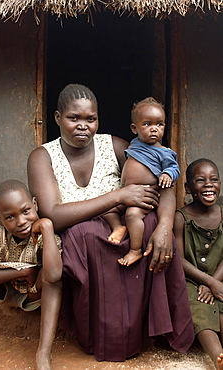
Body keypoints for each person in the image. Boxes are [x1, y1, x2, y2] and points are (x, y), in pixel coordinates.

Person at [27, 83, 194, 362]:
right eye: (73, 118)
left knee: (150, 225)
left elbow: (163, 186)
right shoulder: (43, 157)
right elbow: (53, 214)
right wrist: (118, 195)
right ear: (57, 118)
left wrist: (165, 225)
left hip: (127, 233)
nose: (83, 126)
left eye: (90, 119)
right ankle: (106, 333)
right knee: (84, 234)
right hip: (86, 245)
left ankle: (147, 330)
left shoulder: (115, 146)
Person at [0, 180, 62, 370]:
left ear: (35, 204)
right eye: (10, 217)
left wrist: (47, 227)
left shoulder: (46, 234)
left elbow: (55, 275)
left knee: (51, 281)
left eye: (25, 211)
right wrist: (23, 271)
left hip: (34, 294)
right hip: (3, 291)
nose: (21, 221)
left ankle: (43, 352)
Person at [103, 97, 180, 266]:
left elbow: (174, 168)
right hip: (128, 194)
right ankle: (118, 227)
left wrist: (167, 174)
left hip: (146, 194)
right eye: (147, 124)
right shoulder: (136, 143)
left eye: (159, 124)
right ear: (134, 128)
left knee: (132, 215)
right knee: (106, 209)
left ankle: (135, 250)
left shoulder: (164, 152)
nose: (154, 129)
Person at [173, 158, 223, 370]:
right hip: (191, 281)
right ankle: (218, 357)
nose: (209, 184)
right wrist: (208, 282)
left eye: (214, 180)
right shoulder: (180, 218)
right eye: (200, 180)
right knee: (200, 310)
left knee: (219, 309)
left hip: (219, 278)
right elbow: (179, 260)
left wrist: (214, 283)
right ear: (188, 187)